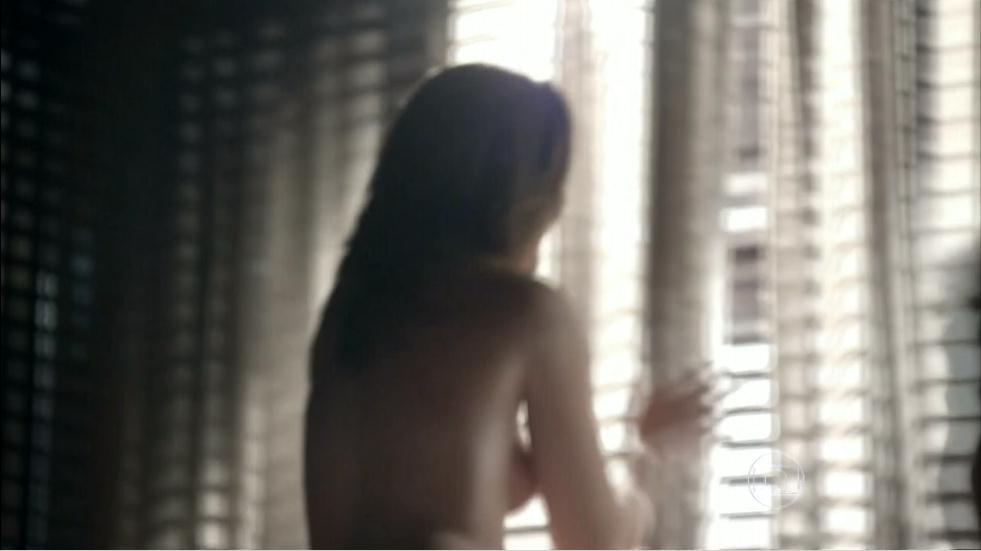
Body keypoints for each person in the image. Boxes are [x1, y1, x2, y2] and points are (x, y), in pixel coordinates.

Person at [304, 64, 710, 549]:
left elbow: (481, 483)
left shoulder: (348, 319)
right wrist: (648, 462)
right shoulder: (526, 315)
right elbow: (595, 544)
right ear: (527, 197)